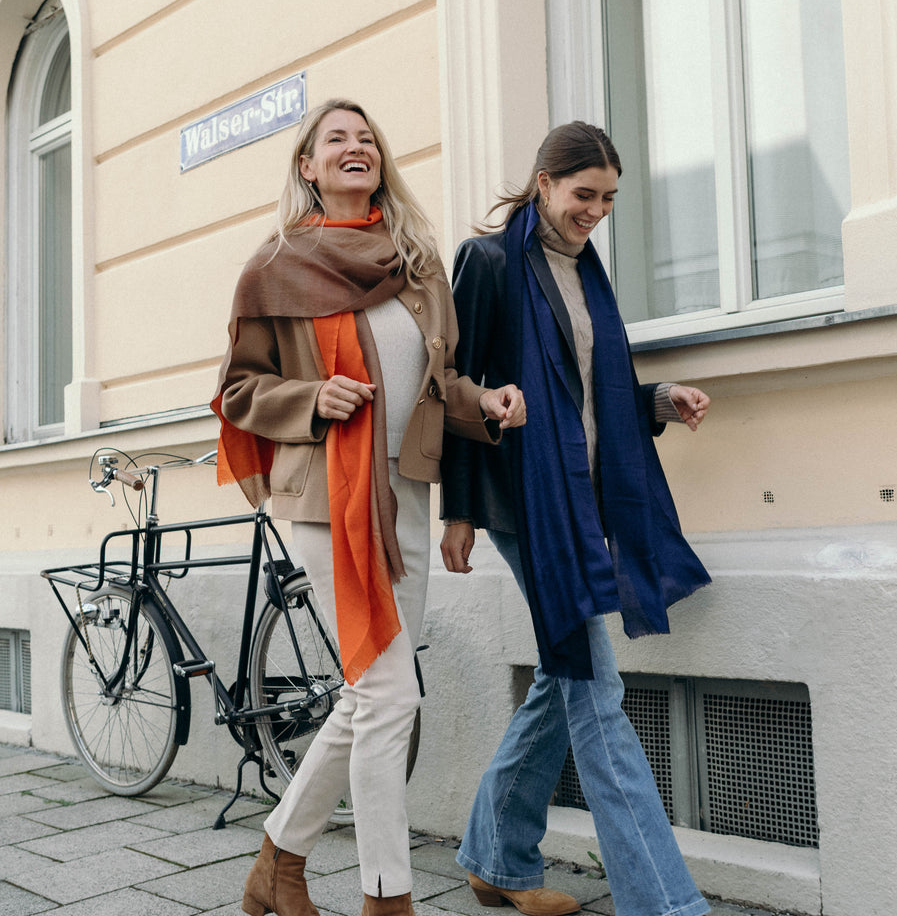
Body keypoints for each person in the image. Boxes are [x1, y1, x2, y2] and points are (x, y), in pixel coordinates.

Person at [212, 97, 526, 916]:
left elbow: (439, 383)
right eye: (335, 141)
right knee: (391, 695)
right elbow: (238, 391)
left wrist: (484, 402)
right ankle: (388, 896)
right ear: (308, 168)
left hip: (406, 494)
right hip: (326, 497)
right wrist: (314, 397)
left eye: (366, 139)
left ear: (379, 162)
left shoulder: (417, 266)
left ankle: (277, 864)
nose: (355, 148)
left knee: (369, 693)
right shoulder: (275, 265)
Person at [440, 121, 713, 916]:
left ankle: (496, 857)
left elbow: (590, 394)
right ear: (544, 182)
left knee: (566, 680)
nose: (594, 210)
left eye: (608, 199)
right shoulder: (489, 262)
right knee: (597, 689)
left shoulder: (586, 274)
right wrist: (459, 510)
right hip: (523, 505)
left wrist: (660, 400)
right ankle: (665, 904)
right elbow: (453, 389)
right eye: (582, 194)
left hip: (580, 497)